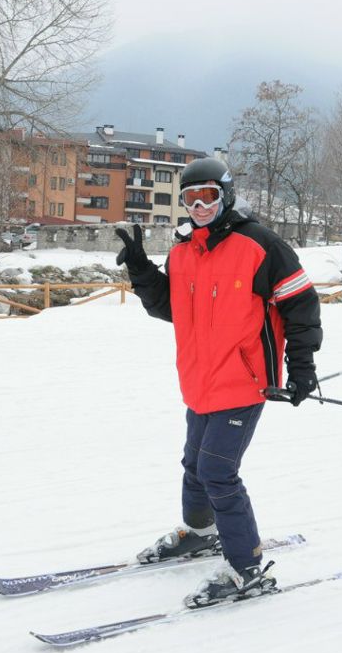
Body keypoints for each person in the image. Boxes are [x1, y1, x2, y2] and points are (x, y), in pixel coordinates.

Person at [115, 156, 322, 608]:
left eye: (207, 196)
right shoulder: (185, 251)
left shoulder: (260, 245)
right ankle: (201, 533)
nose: (198, 206)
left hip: (245, 382)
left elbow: (300, 307)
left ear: (225, 194)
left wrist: (301, 368)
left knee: (217, 472)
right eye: (189, 198)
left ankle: (245, 568)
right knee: (194, 464)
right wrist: (141, 269)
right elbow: (170, 307)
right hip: (199, 381)